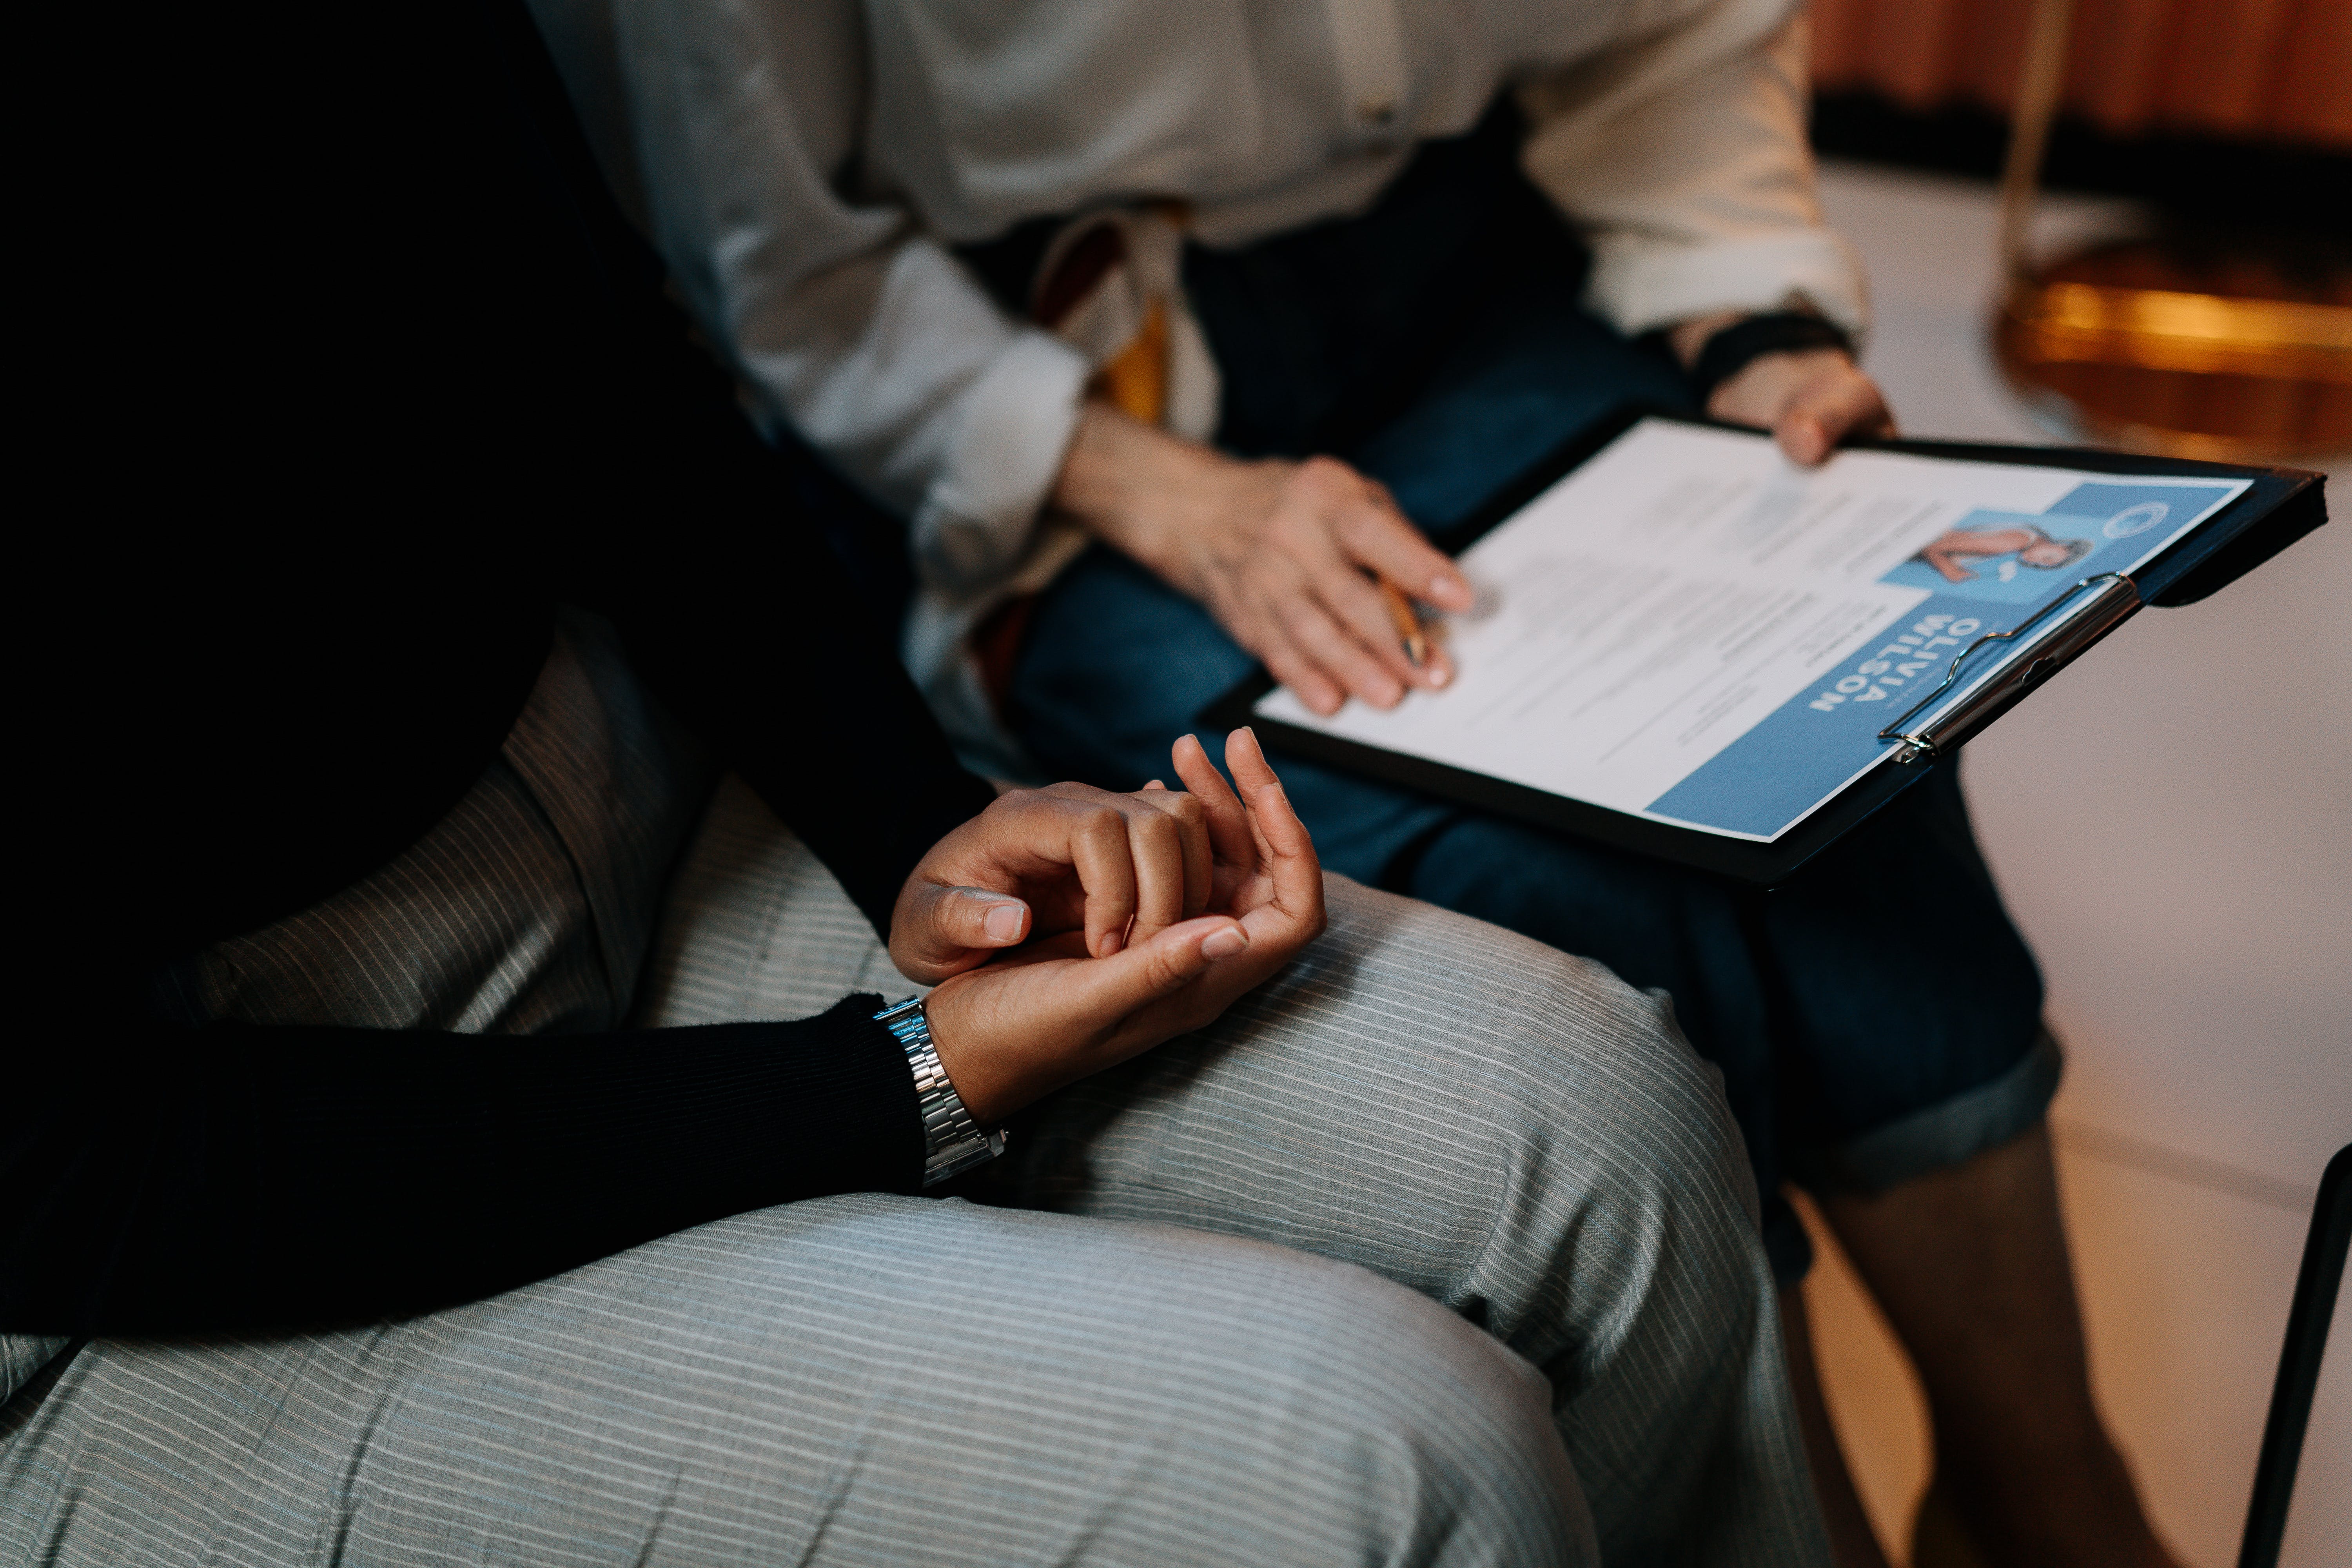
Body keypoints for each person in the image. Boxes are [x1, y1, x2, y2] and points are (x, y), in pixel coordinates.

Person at [4, 7, 1828, 1564]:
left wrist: (914, 828)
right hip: (137, 1228)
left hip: (621, 792)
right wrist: (901, 1082)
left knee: (1610, 1129)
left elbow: (602, 365)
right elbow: (75, 1174)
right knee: (1391, 1463)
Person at [522, 0, 2187, 1562]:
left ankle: (2043, 1484)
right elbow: (782, 264)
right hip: (1038, 370)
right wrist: (1162, 492)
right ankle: (1793, 1507)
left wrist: (1750, 324)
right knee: (1553, 889)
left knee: (1840, 759)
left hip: (1462, 254)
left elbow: (1669, 32)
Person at [1918, 523, 2096, 582]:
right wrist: (1952, 572)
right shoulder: (2017, 541)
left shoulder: (2024, 539)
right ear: (2061, 544)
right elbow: (1933, 547)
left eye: (2040, 565)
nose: (2036, 562)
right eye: (2048, 557)